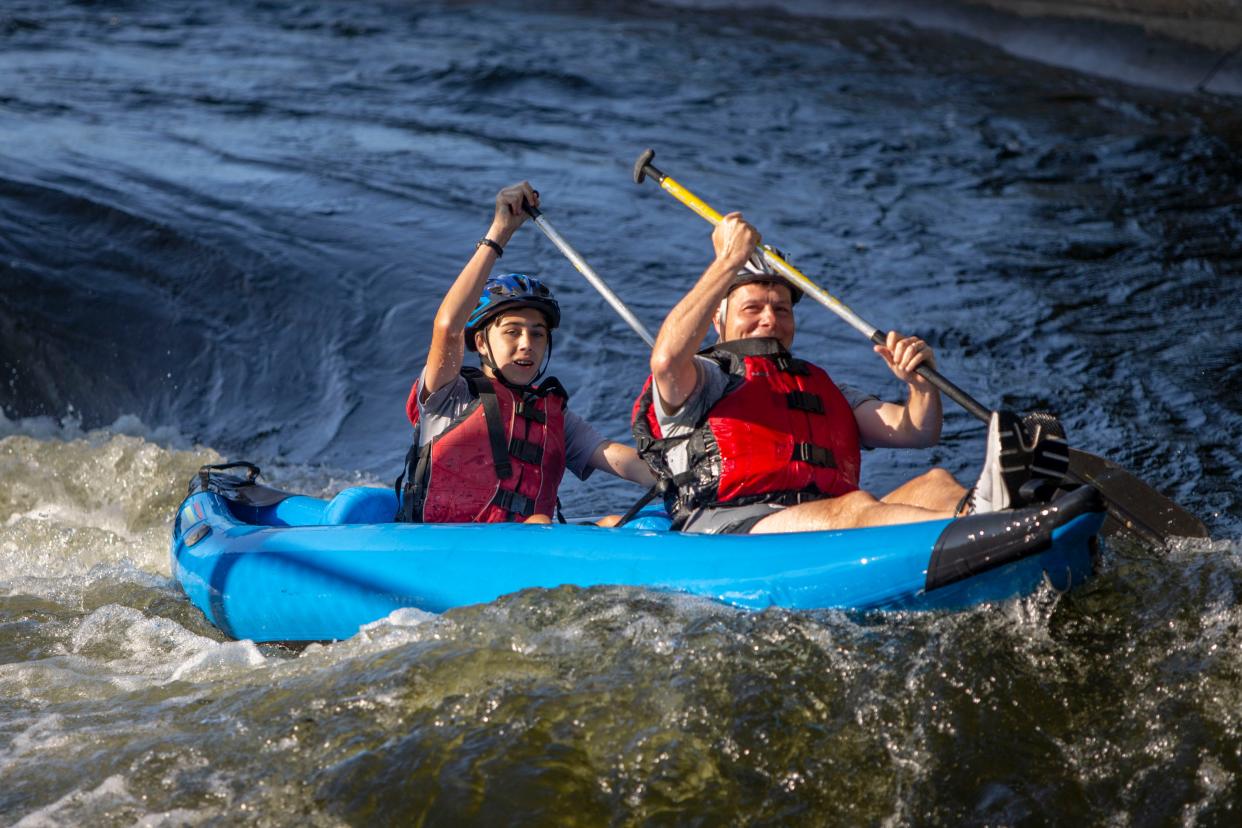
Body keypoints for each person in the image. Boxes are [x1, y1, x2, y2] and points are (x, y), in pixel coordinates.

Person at [632, 212, 1058, 534]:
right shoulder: (702, 379)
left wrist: (920, 385)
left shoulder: (825, 387)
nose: (770, 320)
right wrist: (729, 261)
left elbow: (915, 432)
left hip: (828, 525)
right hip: (734, 532)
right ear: (718, 321)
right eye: (752, 308)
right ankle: (980, 519)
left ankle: (991, 509)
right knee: (855, 507)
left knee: (935, 481)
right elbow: (666, 360)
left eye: (781, 309)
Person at [395, 182, 653, 524]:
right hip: (441, 551)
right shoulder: (447, 396)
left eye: (538, 334)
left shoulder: (556, 418)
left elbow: (614, 457)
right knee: (539, 524)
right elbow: (447, 327)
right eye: (512, 332)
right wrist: (499, 234)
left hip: (528, 551)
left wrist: (680, 475)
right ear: (482, 343)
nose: (526, 344)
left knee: (614, 523)